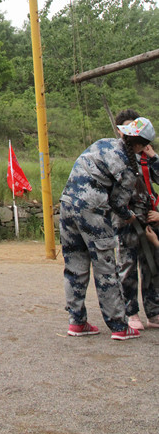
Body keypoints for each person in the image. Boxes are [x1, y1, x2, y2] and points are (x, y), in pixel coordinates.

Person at [60, 116, 156, 340]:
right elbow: (119, 204)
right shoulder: (128, 167)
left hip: (67, 205)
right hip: (92, 210)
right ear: (142, 145)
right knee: (105, 268)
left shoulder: (102, 143)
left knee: (74, 265)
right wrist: (131, 217)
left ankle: (77, 321)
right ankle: (119, 326)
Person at [114, 109, 159, 330]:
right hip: (127, 220)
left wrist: (154, 157)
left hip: (149, 218)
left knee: (152, 265)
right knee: (128, 265)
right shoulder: (116, 155)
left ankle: (154, 311)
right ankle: (131, 312)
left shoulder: (147, 156)